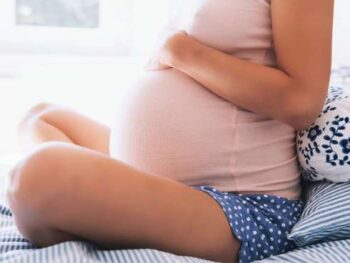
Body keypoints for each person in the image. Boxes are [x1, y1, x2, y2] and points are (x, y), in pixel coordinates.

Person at [7, 1, 334, 262]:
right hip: (167, 179)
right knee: (40, 119)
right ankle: (114, 209)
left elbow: (301, 101)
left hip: (239, 207)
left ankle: (96, 211)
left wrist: (180, 51)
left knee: (36, 177)